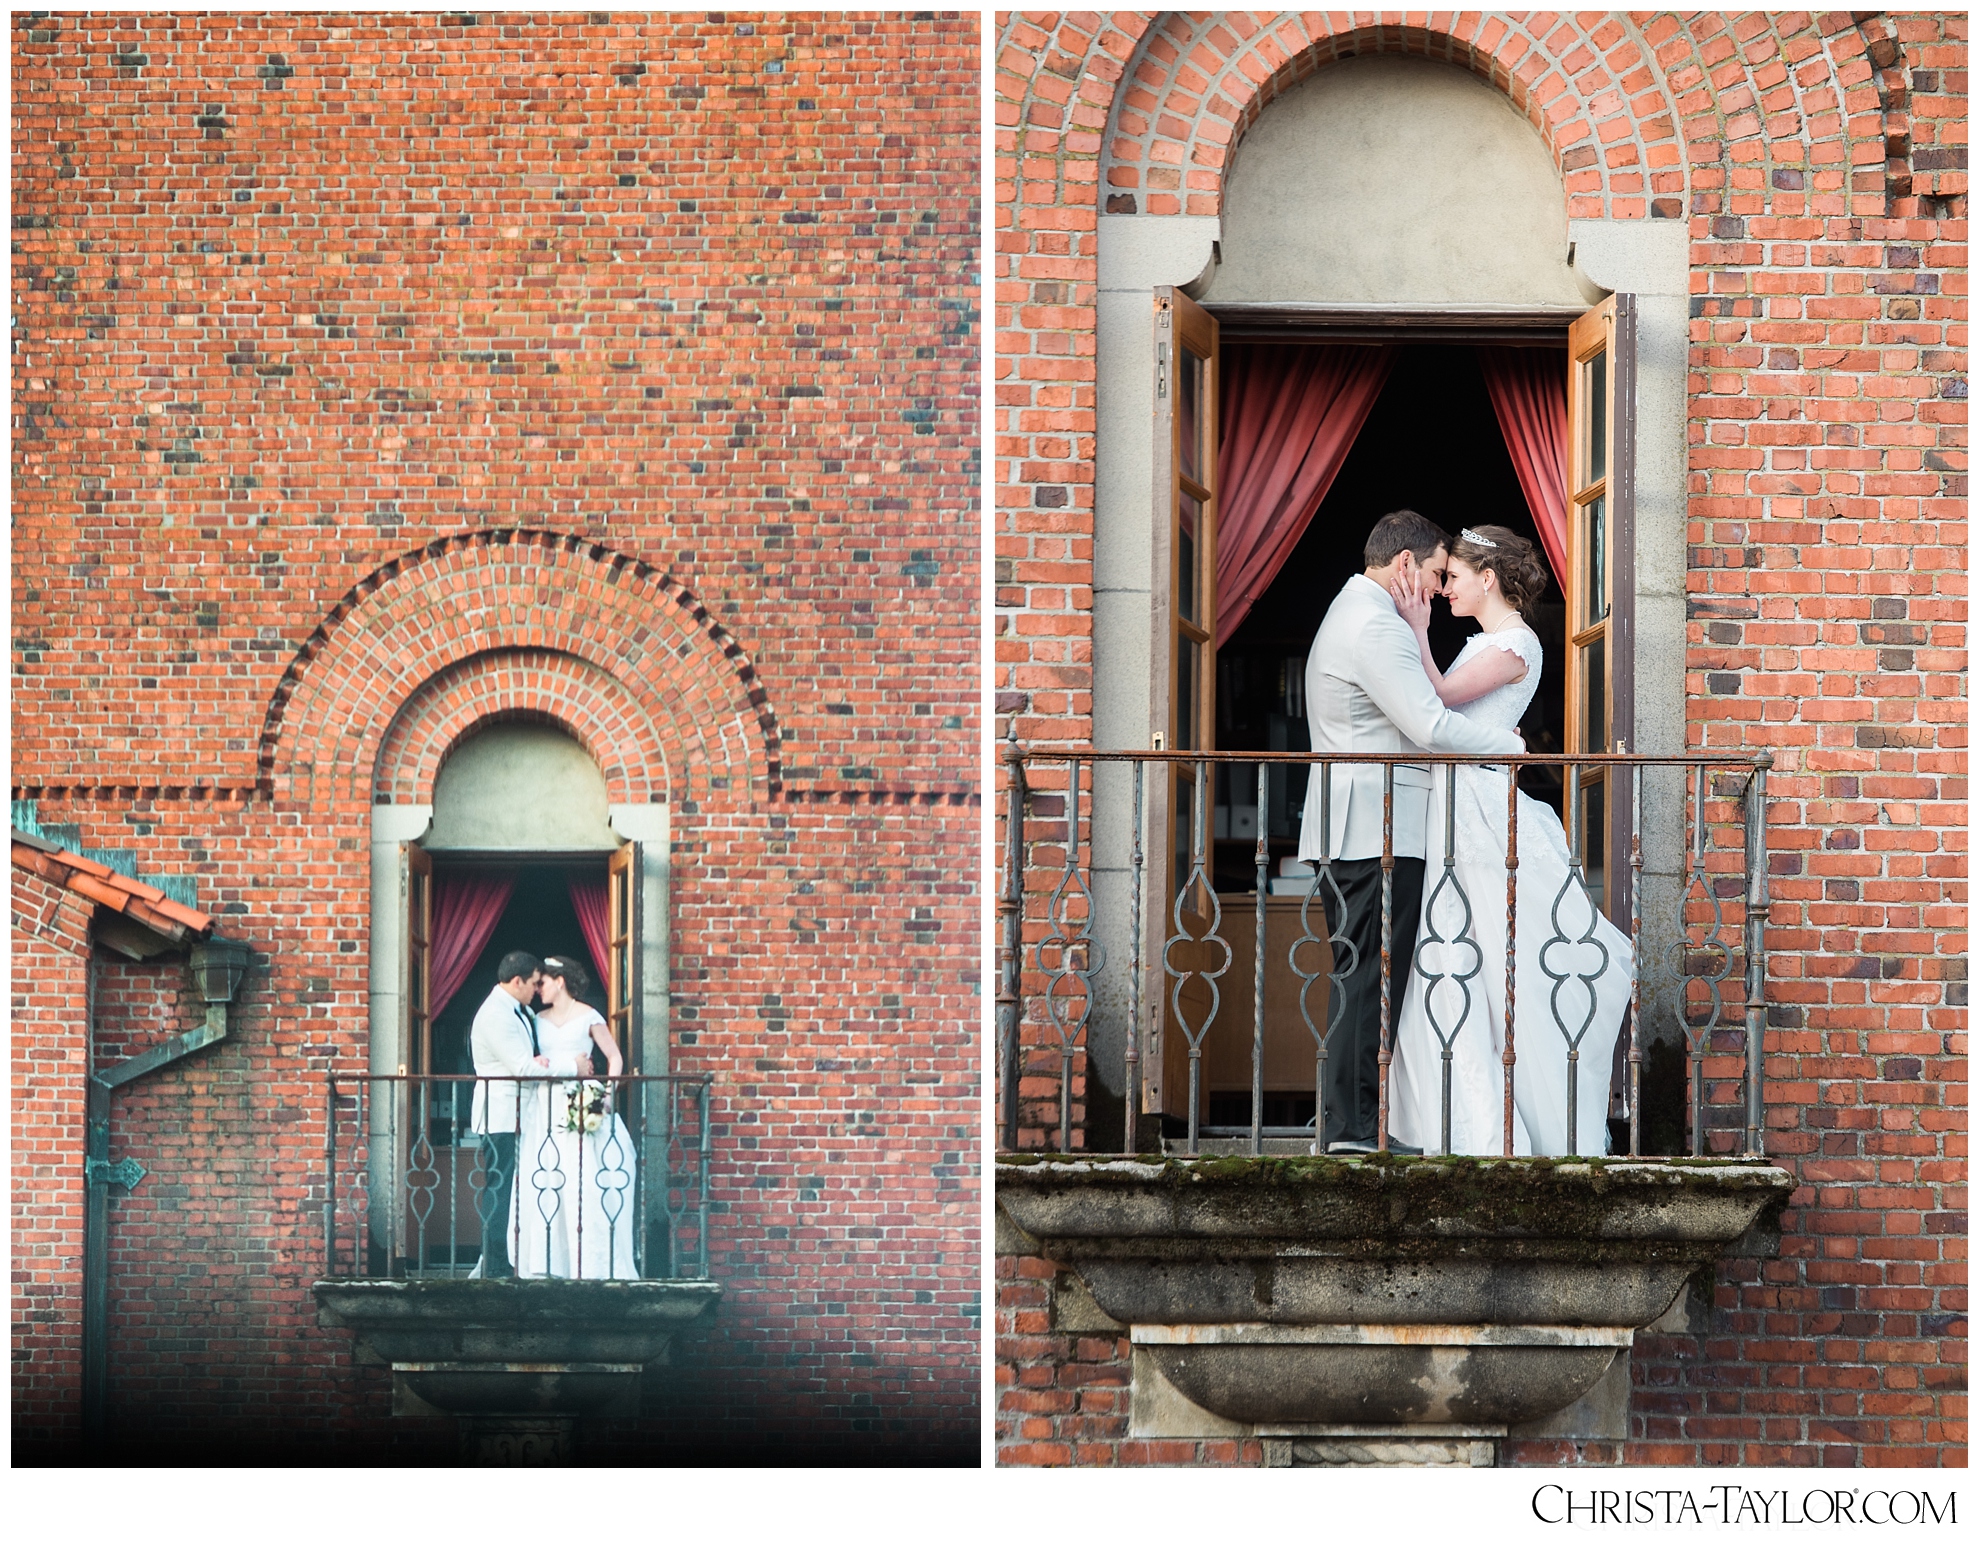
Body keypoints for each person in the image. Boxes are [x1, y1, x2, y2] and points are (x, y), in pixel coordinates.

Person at [1383, 524, 1633, 1155]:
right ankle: (1464, 1109)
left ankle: (1507, 1114)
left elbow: (1438, 700)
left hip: (1480, 810)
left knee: (1491, 948)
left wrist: (1414, 626)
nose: (1443, 591)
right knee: (1460, 948)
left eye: (1455, 579)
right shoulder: (1488, 641)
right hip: (1461, 802)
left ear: (1487, 578)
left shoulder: (1517, 643)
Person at [1297, 511, 1525, 1153]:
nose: (1433, 588)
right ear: (1404, 566)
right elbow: (1428, 725)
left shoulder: (1356, 612)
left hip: (1360, 827)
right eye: (1431, 574)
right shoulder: (1376, 625)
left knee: (1364, 972)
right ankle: (1350, 1130)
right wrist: (1508, 749)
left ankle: (1351, 1123)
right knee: (1370, 975)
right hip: (1374, 831)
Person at [511, 955, 640, 1279]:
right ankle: (547, 1261)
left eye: (543, 982)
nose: (538, 988)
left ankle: (591, 1261)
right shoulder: (535, 1019)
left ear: (561, 981)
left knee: (583, 1179)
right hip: (544, 1104)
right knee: (547, 1177)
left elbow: (614, 1057)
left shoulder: (589, 1016)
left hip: (581, 1099)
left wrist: (607, 1094)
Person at [468, 951, 549, 1278]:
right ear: (517, 981)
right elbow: (522, 1068)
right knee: (500, 1189)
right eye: (533, 983)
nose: (536, 990)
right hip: (502, 1114)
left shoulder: (520, 1010)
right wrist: (570, 1068)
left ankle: (508, 1260)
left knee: (511, 1189)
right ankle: (496, 1265)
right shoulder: (495, 1014)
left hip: (520, 1113)